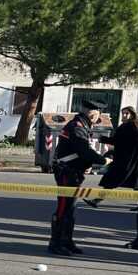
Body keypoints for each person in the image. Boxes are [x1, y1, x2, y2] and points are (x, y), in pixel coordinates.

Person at [48, 100, 108, 256]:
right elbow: (84, 151)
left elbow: (79, 152)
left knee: (70, 208)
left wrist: (86, 164)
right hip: (67, 172)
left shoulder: (83, 125)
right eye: (98, 114)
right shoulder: (77, 127)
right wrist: (104, 160)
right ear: (93, 113)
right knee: (63, 208)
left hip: (74, 171)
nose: (98, 117)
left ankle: (66, 241)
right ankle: (55, 243)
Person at [83, 107, 138, 209]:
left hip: (130, 160)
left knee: (130, 182)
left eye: (127, 113)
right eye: (123, 113)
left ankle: (96, 200)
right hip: (124, 159)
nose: (124, 115)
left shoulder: (132, 126)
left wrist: (103, 139)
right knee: (116, 181)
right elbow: (119, 141)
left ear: (132, 114)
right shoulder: (127, 125)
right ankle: (96, 200)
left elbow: (119, 141)